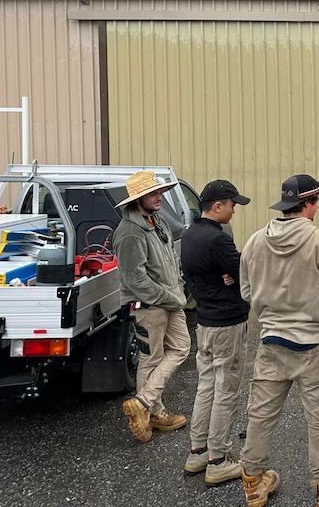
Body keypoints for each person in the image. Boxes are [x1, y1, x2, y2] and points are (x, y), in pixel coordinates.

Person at [239, 174, 319, 507]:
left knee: (259, 416)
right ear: (309, 203)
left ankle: (253, 482)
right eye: (316, 202)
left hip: (271, 342)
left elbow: (247, 292)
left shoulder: (256, 241)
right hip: (314, 345)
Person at [181, 179, 251, 485]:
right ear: (218, 205)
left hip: (205, 322)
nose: (235, 210)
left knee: (206, 386)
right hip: (227, 323)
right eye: (233, 204)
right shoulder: (218, 239)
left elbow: (219, 274)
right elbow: (244, 272)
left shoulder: (189, 235)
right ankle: (219, 459)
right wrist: (234, 279)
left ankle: (198, 451)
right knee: (227, 390)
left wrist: (229, 277)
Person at [113, 170, 191, 444]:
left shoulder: (157, 221)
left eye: (159, 192)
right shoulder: (129, 233)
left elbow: (170, 259)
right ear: (138, 199)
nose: (159, 197)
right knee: (151, 357)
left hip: (170, 299)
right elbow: (134, 279)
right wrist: (170, 297)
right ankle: (153, 412)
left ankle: (144, 402)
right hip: (150, 305)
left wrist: (177, 287)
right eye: (153, 194)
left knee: (181, 347)